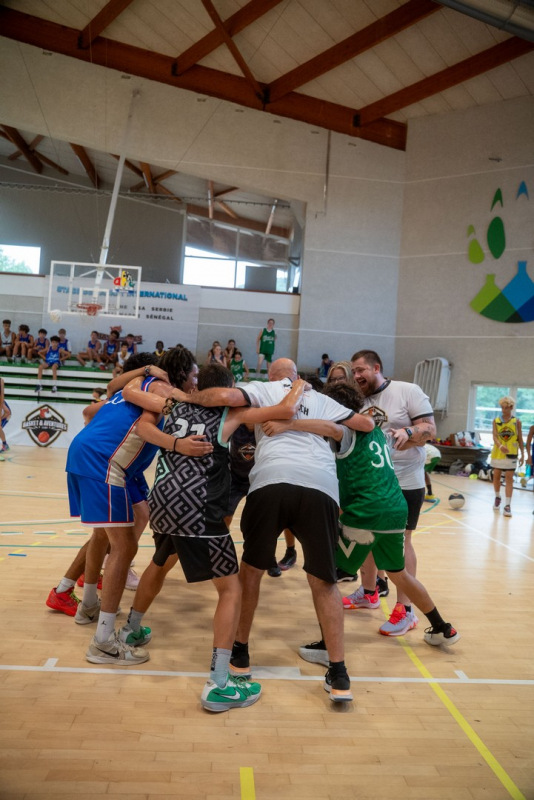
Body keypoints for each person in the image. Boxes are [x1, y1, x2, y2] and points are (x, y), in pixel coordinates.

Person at [171, 357, 375, 704]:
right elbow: (365, 424)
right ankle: (339, 674)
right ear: (297, 377)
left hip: (271, 481)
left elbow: (226, 398)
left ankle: (240, 655)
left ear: (271, 375)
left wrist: (188, 396)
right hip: (321, 487)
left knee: (251, 572)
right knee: (324, 582)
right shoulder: (322, 399)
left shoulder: (262, 388)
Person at [131, 363, 307, 712]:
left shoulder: (173, 406)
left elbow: (140, 420)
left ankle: (130, 630)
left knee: (159, 562)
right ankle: (219, 683)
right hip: (198, 508)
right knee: (231, 589)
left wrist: (174, 439)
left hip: (162, 502)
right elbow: (287, 410)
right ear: (230, 390)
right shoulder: (231, 414)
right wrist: (299, 384)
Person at [274, 382, 459, 667]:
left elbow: (330, 428)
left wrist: (287, 424)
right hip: (395, 508)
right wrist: (414, 435)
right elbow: (414, 440)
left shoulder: (345, 429)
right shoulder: (379, 432)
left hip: (366, 512)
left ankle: (327, 647)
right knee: (399, 573)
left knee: (323, 578)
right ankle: (442, 627)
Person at [64, 347, 214, 665]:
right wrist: (178, 444)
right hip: (104, 462)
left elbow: (107, 397)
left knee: (109, 534)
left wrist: (141, 379)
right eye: (194, 374)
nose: (197, 380)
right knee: (124, 546)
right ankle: (103, 642)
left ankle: (88, 605)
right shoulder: (161, 389)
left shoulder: (142, 384)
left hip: (94, 456)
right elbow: (145, 426)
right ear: (182, 374)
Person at [45, 354, 172, 618]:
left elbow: (107, 394)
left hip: (127, 467)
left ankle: (97, 574)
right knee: (113, 535)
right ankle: (80, 584)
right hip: (111, 463)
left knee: (121, 526)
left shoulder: (131, 394)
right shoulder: (139, 394)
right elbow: (94, 408)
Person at [347, 349, 436, 637]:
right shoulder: (359, 400)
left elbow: (430, 429)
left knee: (402, 542)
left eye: (361, 370)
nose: (356, 375)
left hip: (405, 481)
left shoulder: (407, 391)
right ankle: (369, 593)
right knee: (367, 535)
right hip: (372, 482)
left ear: (377, 368)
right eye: (353, 371)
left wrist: (408, 433)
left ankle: (406, 610)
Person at [490, 396, 524, 517]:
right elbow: (494, 436)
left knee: (509, 478)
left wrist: (523, 454)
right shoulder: (496, 421)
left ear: (511, 408)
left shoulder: (517, 422)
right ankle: (497, 497)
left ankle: (508, 506)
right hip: (498, 453)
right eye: (502, 408)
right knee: (496, 476)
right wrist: (500, 446)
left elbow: (520, 438)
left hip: (512, 453)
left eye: (506, 408)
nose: (503, 410)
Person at [0, 376, 11, 453]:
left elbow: (8, 412)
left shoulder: (1, 401)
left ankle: (5, 445)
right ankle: (5, 444)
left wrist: (0, 418)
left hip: (6, 415)